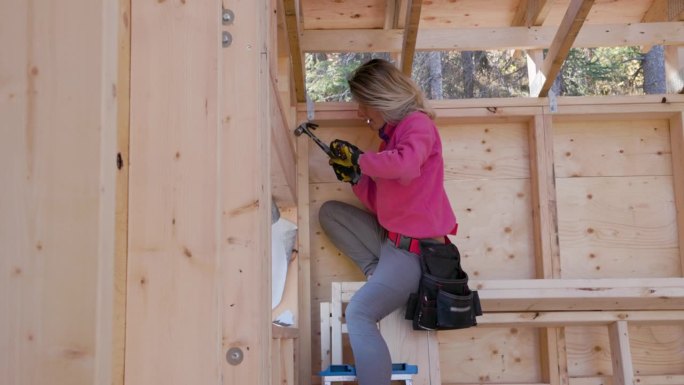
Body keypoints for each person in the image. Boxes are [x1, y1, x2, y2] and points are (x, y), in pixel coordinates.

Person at [318, 58, 457, 385]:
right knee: (329, 213)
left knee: (359, 315)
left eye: (362, 105)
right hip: (391, 240)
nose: (359, 113)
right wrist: (355, 176)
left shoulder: (417, 124)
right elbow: (383, 205)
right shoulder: (390, 141)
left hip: (415, 255)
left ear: (381, 99)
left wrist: (362, 161)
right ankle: (376, 273)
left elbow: (406, 166)